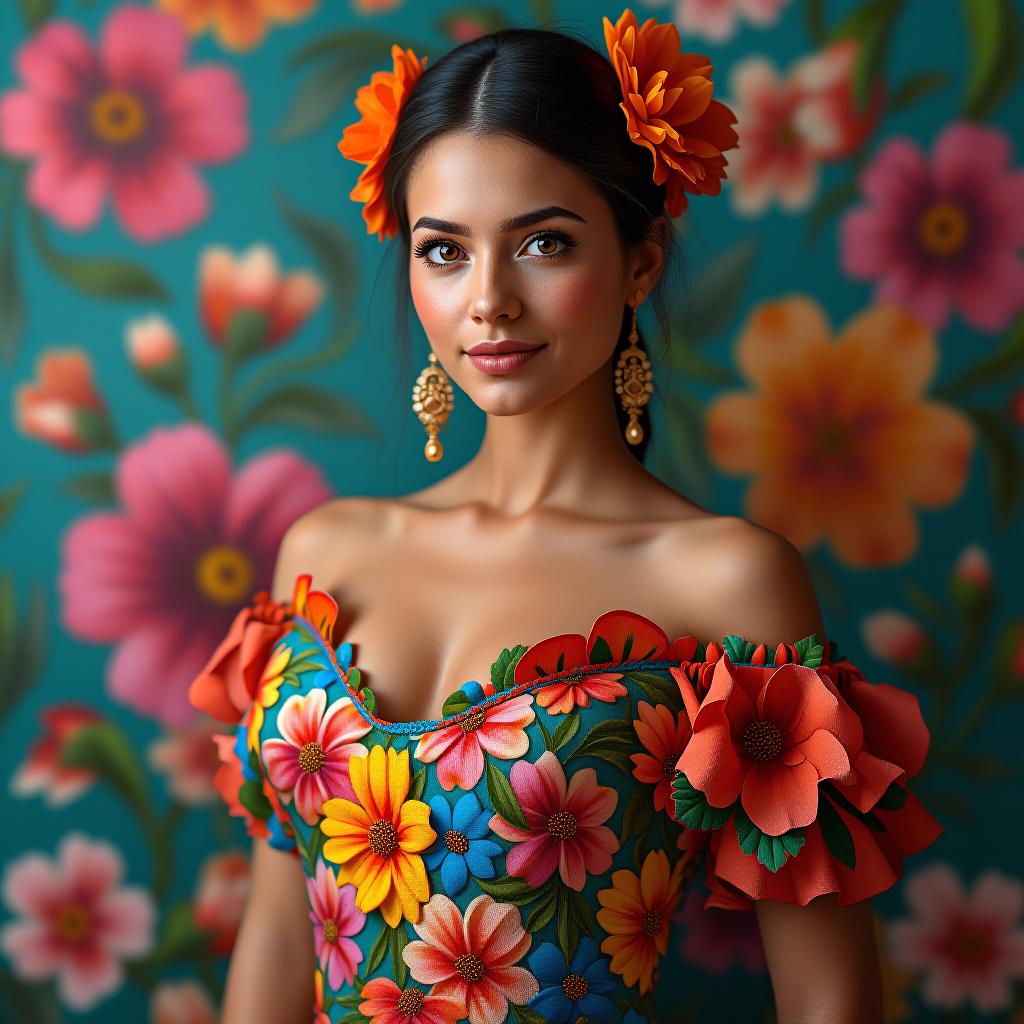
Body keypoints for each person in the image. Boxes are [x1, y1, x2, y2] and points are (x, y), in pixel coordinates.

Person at [188, 9, 942, 1023]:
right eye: (443, 251)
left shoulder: (723, 581)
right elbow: (281, 934)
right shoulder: (324, 557)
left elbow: (829, 1000)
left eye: (543, 242)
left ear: (640, 262)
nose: (487, 300)